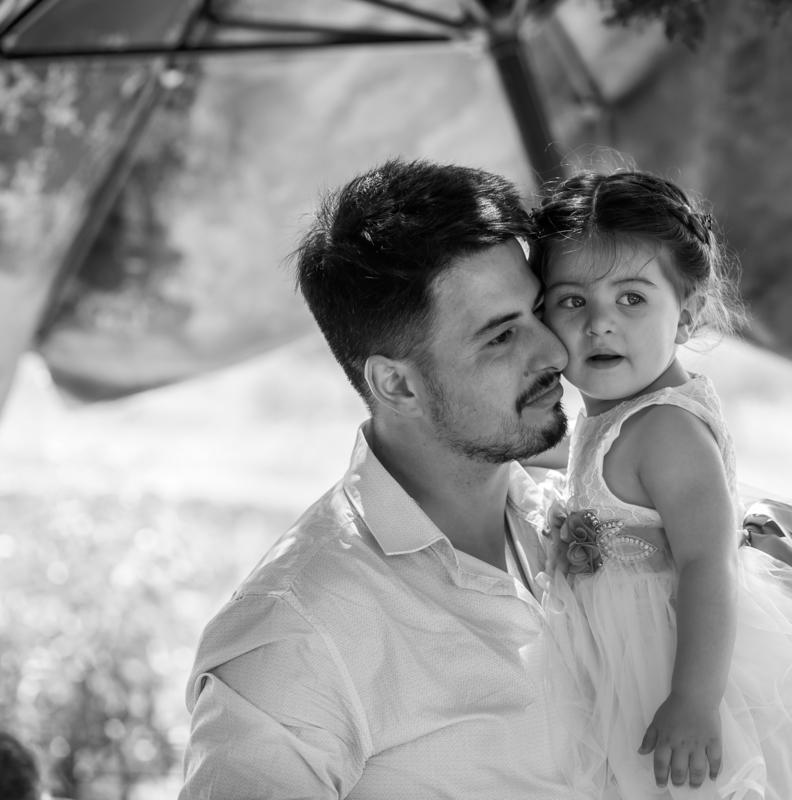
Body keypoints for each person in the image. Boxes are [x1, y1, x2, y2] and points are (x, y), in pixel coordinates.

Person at [178, 158, 581, 798]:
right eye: (502, 337)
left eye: (537, 309)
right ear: (397, 384)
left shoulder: (571, 509)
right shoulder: (299, 631)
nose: (555, 352)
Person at [532, 170, 792, 800]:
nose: (600, 323)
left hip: (676, 662)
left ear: (686, 316)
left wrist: (693, 699)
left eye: (631, 299)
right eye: (572, 301)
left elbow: (706, 563)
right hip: (622, 655)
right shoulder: (612, 416)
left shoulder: (665, 430)